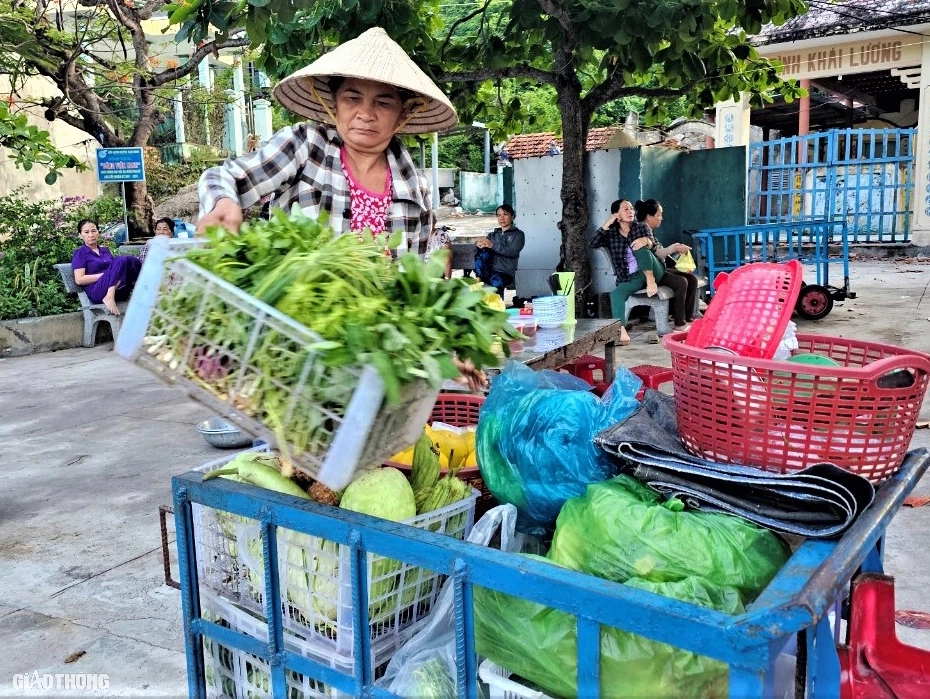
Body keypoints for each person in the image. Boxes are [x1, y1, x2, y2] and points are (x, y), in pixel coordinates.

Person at [196, 26, 458, 261]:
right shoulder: (306, 147)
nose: (365, 114)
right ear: (334, 104)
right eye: (352, 98)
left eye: (383, 103)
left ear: (402, 114)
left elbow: (415, 275)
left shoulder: (415, 188)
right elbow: (223, 176)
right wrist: (223, 203)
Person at [589, 199, 688, 344]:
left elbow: (654, 248)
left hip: (654, 271)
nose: (631, 212)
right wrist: (607, 223)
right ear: (616, 214)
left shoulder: (641, 227)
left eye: (631, 209)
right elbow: (593, 243)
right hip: (632, 277)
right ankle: (621, 330)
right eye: (626, 209)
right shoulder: (611, 234)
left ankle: (650, 280)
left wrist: (647, 241)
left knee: (640, 246)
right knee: (616, 294)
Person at [634, 198, 700, 324]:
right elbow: (656, 253)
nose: (661, 218)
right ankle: (679, 322)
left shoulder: (648, 231)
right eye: (659, 215)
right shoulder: (641, 230)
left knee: (691, 279)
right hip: (648, 273)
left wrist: (675, 251)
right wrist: (674, 248)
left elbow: (658, 252)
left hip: (658, 268)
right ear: (649, 216)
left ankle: (687, 317)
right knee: (681, 282)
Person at [71, 219, 142, 316]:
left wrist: (112, 275)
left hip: (119, 291)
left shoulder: (105, 250)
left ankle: (145, 289)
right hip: (98, 292)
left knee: (132, 260)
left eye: (93, 231)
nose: (91, 235)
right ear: (80, 235)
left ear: (98, 232)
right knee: (121, 259)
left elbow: (117, 269)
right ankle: (109, 295)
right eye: (86, 232)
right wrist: (106, 275)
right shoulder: (80, 253)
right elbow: (79, 280)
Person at [474, 204, 525, 299]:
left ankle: (497, 308)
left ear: (512, 217)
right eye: (499, 215)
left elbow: (512, 251)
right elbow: (479, 252)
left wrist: (493, 245)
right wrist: (478, 244)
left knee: (496, 282)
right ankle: (479, 279)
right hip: (487, 271)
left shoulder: (518, 235)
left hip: (504, 273)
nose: (501, 218)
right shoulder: (492, 235)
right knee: (482, 250)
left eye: (505, 214)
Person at [424, 212, 453, 280]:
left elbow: (447, 259)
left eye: (430, 221)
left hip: (436, 273)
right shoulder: (416, 236)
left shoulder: (442, 236)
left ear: (435, 222)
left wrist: (447, 280)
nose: (428, 223)